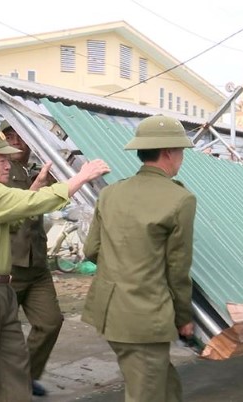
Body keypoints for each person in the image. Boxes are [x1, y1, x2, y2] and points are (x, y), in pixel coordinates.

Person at [0, 128, 110, 401]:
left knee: (14, 371)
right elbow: (33, 203)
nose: (8, 164)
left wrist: (36, 185)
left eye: (7, 159)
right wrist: (82, 176)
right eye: (0, 160)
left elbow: (16, 218)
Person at [82, 115, 197, 402]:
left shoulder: (110, 193)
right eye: (181, 152)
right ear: (169, 153)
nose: (181, 158)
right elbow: (177, 268)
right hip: (145, 318)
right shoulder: (179, 199)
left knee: (165, 387)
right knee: (147, 392)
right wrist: (183, 318)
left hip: (110, 313)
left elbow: (91, 250)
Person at [0, 84, 61, 396]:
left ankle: (24, 377)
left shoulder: (41, 166)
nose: (18, 142)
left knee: (51, 322)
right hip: (9, 268)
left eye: (22, 136)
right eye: (12, 136)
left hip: (37, 266)